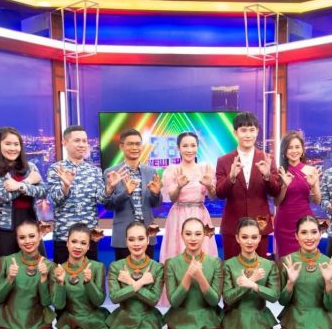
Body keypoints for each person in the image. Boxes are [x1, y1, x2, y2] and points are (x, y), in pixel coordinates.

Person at [0, 127, 47, 304]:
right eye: (8, 143)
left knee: (34, 276)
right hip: (5, 229)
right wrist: (29, 182)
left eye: (16, 144)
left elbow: (43, 191)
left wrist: (19, 185)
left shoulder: (30, 166)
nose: (13, 148)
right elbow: (4, 195)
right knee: (8, 278)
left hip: (30, 224)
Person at [0, 219, 56, 329]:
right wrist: (9, 279)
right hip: (9, 325)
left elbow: (47, 302)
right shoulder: (5, 261)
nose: (27, 241)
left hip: (37, 326)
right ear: (17, 239)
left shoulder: (49, 266)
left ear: (40, 236)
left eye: (32, 236)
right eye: (22, 237)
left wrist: (43, 278)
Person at [276, 216, 332, 329]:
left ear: (320, 234)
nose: (309, 237)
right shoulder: (286, 261)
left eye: (313, 232)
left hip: (319, 323)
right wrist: (290, 283)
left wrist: (328, 282)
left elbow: (331, 306)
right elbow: (282, 301)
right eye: (304, 232)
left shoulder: (330, 263)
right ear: (296, 236)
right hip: (293, 320)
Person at [163, 217, 225, 329]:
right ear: (181, 235)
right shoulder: (171, 263)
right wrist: (188, 276)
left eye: (198, 234)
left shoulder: (215, 262)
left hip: (209, 321)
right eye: (188, 233)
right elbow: (174, 302)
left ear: (204, 235)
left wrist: (200, 277)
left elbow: (214, 301)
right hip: (182, 321)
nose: (193, 238)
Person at [215, 112, 281, 258]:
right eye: (243, 130)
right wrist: (231, 177)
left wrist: (267, 176)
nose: (248, 135)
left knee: (260, 267)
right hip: (233, 226)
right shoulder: (223, 161)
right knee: (232, 268)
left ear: (257, 132)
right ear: (235, 132)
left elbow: (275, 192)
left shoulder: (267, 158)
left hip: (260, 225)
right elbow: (219, 193)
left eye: (252, 130)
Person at [106, 221, 167, 329]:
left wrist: (130, 284)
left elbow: (153, 300)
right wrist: (138, 283)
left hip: (148, 323)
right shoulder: (116, 266)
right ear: (126, 241)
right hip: (123, 323)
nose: (136, 244)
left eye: (141, 238)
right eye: (131, 239)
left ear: (148, 240)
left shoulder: (157, 267)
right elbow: (114, 297)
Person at [47, 125, 113, 264]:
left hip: (89, 237)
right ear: (64, 143)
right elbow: (54, 200)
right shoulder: (56, 169)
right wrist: (65, 186)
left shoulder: (95, 171)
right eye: (77, 140)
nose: (82, 145)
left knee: (90, 275)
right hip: (64, 237)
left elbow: (101, 200)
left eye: (84, 141)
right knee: (62, 276)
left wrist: (109, 188)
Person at [221, 217, 280, 329]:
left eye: (254, 237)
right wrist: (250, 281)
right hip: (236, 321)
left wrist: (254, 285)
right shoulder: (228, 265)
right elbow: (227, 298)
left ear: (260, 238)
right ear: (237, 238)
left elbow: (274, 296)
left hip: (261, 321)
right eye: (245, 237)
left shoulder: (269, 265)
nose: (249, 241)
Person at [51, 223, 110, 329]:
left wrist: (89, 282)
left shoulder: (97, 267)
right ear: (67, 243)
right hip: (70, 325)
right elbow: (58, 305)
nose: (78, 246)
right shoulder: (58, 269)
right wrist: (60, 283)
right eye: (74, 241)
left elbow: (98, 301)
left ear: (88, 246)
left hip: (94, 325)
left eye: (83, 243)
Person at [103, 129, 163, 260]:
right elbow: (108, 205)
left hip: (147, 233)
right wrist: (126, 193)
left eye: (138, 144)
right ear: (121, 146)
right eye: (130, 144)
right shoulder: (111, 172)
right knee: (123, 271)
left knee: (149, 270)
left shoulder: (151, 171)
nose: (135, 147)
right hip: (123, 234)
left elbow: (156, 204)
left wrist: (156, 193)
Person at [160, 131, 219, 264]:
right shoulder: (172, 170)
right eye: (185, 146)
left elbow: (212, 196)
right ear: (178, 148)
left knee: (203, 253)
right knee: (178, 253)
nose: (189, 150)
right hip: (178, 215)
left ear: (197, 147)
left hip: (200, 214)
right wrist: (179, 186)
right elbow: (172, 198)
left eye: (193, 145)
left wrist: (209, 186)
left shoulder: (205, 168)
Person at [274, 131, 321, 258]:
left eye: (297, 147)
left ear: (302, 150)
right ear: (284, 151)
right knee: (286, 261)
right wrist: (284, 186)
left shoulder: (311, 170)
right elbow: (276, 202)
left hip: (305, 222)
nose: (294, 151)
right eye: (290, 147)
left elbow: (317, 201)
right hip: (284, 223)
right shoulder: (279, 172)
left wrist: (314, 185)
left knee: (307, 258)